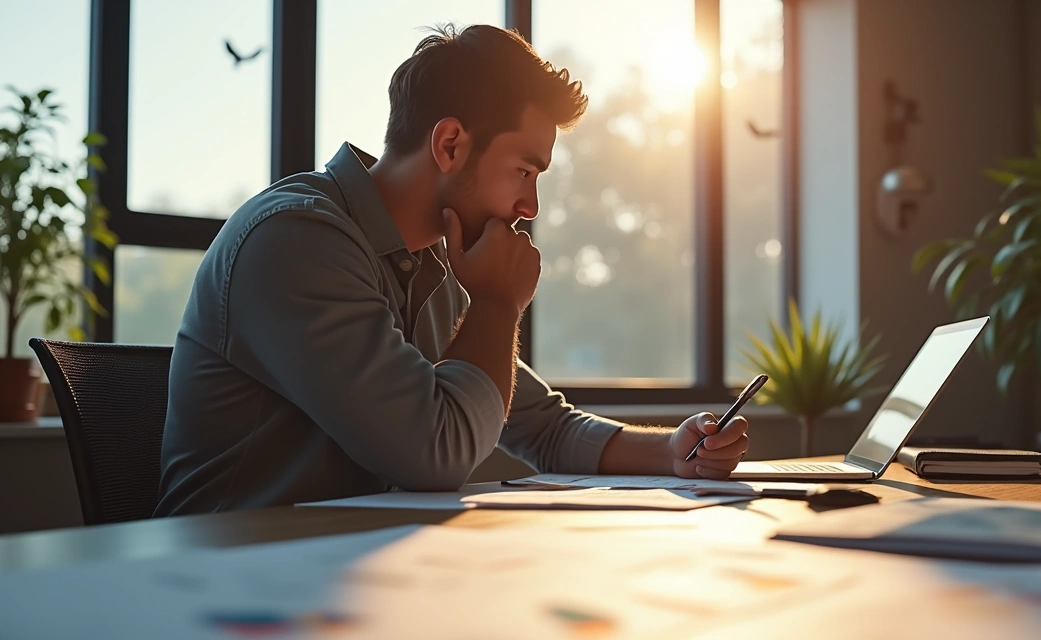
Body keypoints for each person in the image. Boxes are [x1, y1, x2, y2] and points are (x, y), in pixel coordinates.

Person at [154, 24, 750, 516]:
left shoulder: (433, 263)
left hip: (345, 573)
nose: (531, 207)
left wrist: (673, 452)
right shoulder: (295, 240)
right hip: (221, 586)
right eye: (524, 171)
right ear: (450, 145)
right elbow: (433, 454)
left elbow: (543, 428)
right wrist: (496, 304)